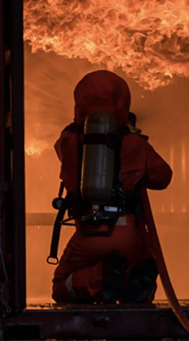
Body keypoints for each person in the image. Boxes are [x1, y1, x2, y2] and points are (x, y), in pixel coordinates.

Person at [51, 70, 172, 304]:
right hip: (130, 235)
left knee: (61, 287)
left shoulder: (68, 142)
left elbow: (63, 153)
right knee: (141, 263)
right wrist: (132, 138)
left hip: (89, 235)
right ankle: (133, 281)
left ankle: (102, 276)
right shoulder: (136, 144)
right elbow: (163, 178)